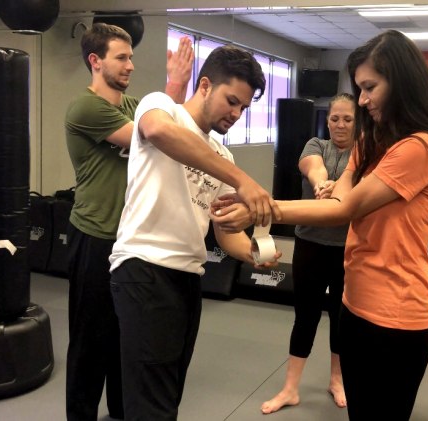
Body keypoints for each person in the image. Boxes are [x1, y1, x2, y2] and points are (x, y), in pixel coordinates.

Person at [214, 30, 428, 420]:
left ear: (401, 82)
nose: (362, 100)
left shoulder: (421, 147)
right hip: (356, 304)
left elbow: (344, 210)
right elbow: (337, 198)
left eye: (369, 88)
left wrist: (263, 208)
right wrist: (315, 189)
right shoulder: (372, 142)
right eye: (358, 89)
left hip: (397, 316)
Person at [108, 44, 281, 421]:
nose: (236, 114)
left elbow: (223, 231)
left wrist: (251, 251)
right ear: (204, 85)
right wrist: (242, 180)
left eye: (244, 108)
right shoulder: (162, 107)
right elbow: (156, 131)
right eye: (231, 101)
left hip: (187, 278)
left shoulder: (223, 155)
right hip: (144, 267)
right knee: (151, 400)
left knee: (168, 391)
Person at [63, 23, 193, 421]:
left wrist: (180, 92)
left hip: (129, 241)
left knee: (126, 336)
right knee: (90, 339)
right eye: (121, 57)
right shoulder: (85, 108)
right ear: (95, 61)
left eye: (131, 57)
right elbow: (152, 136)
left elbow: (175, 127)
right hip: (94, 234)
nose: (131, 65)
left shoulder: (134, 105)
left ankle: (120, 410)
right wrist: (174, 84)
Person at [260, 93, 355, 415]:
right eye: (335, 118)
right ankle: (290, 388)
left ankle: (337, 379)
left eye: (348, 119)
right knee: (305, 317)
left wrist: (338, 186)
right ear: (327, 120)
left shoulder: (366, 153)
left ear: (358, 122)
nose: (340, 124)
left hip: (348, 250)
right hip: (311, 246)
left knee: (341, 319)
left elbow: (358, 180)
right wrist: (323, 183)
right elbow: (311, 167)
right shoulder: (316, 145)